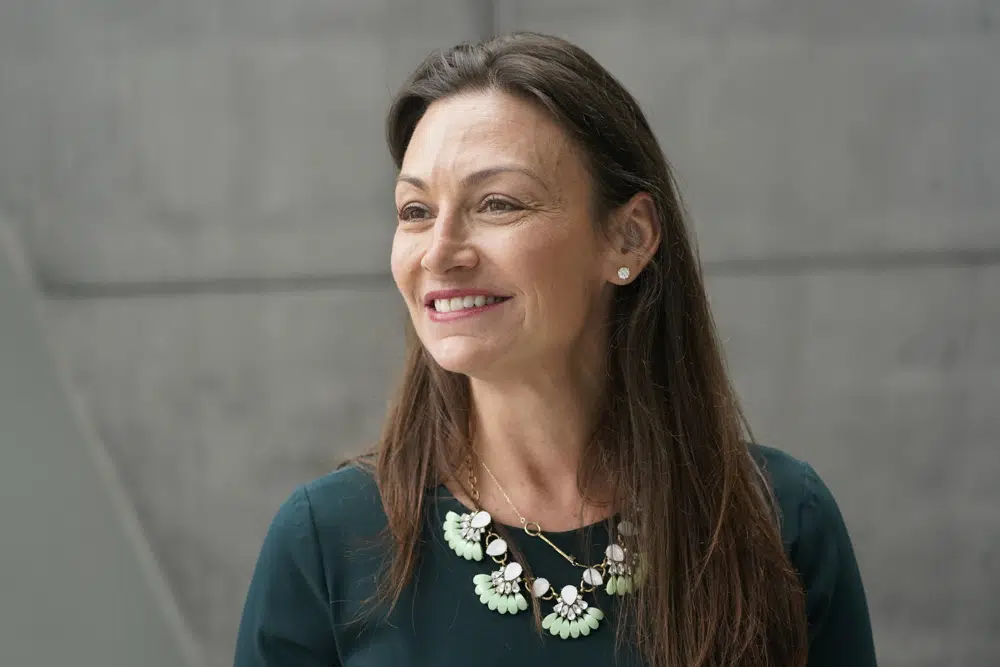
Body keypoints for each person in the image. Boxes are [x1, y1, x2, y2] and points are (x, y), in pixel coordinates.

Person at [234, 32, 877, 667]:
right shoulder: (325, 540)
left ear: (628, 237)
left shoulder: (779, 520)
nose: (439, 252)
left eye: (497, 203)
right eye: (415, 210)